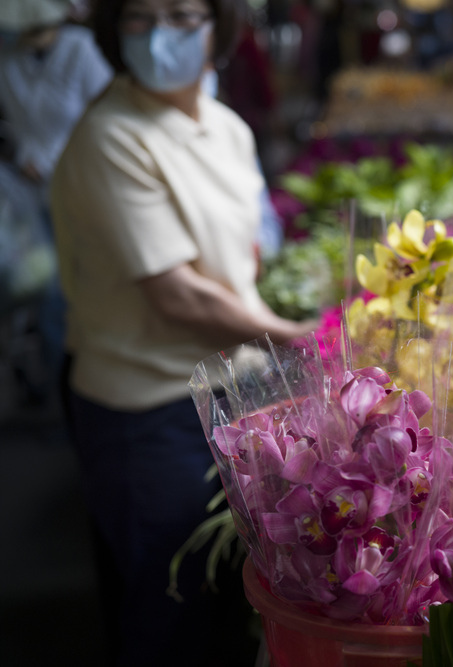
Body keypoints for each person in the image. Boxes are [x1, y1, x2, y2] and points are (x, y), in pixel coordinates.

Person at [48, 0, 316, 664]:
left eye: (182, 13)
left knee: (225, 598)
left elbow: (242, 251)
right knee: (171, 604)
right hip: (149, 407)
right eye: (139, 16)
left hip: (235, 389)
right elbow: (177, 293)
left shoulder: (225, 127)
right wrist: (292, 333)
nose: (160, 33)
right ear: (113, 30)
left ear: (217, 26)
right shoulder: (111, 136)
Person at [0, 0, 112, 405]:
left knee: (89, 288)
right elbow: (16, 125)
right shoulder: (9, 59)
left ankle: (86, 391)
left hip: (84, 185)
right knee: (49, 293)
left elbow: (103, 116)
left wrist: (54, 157)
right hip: (32, 195)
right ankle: (59, 395)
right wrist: (20, 157)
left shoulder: (81, 49)